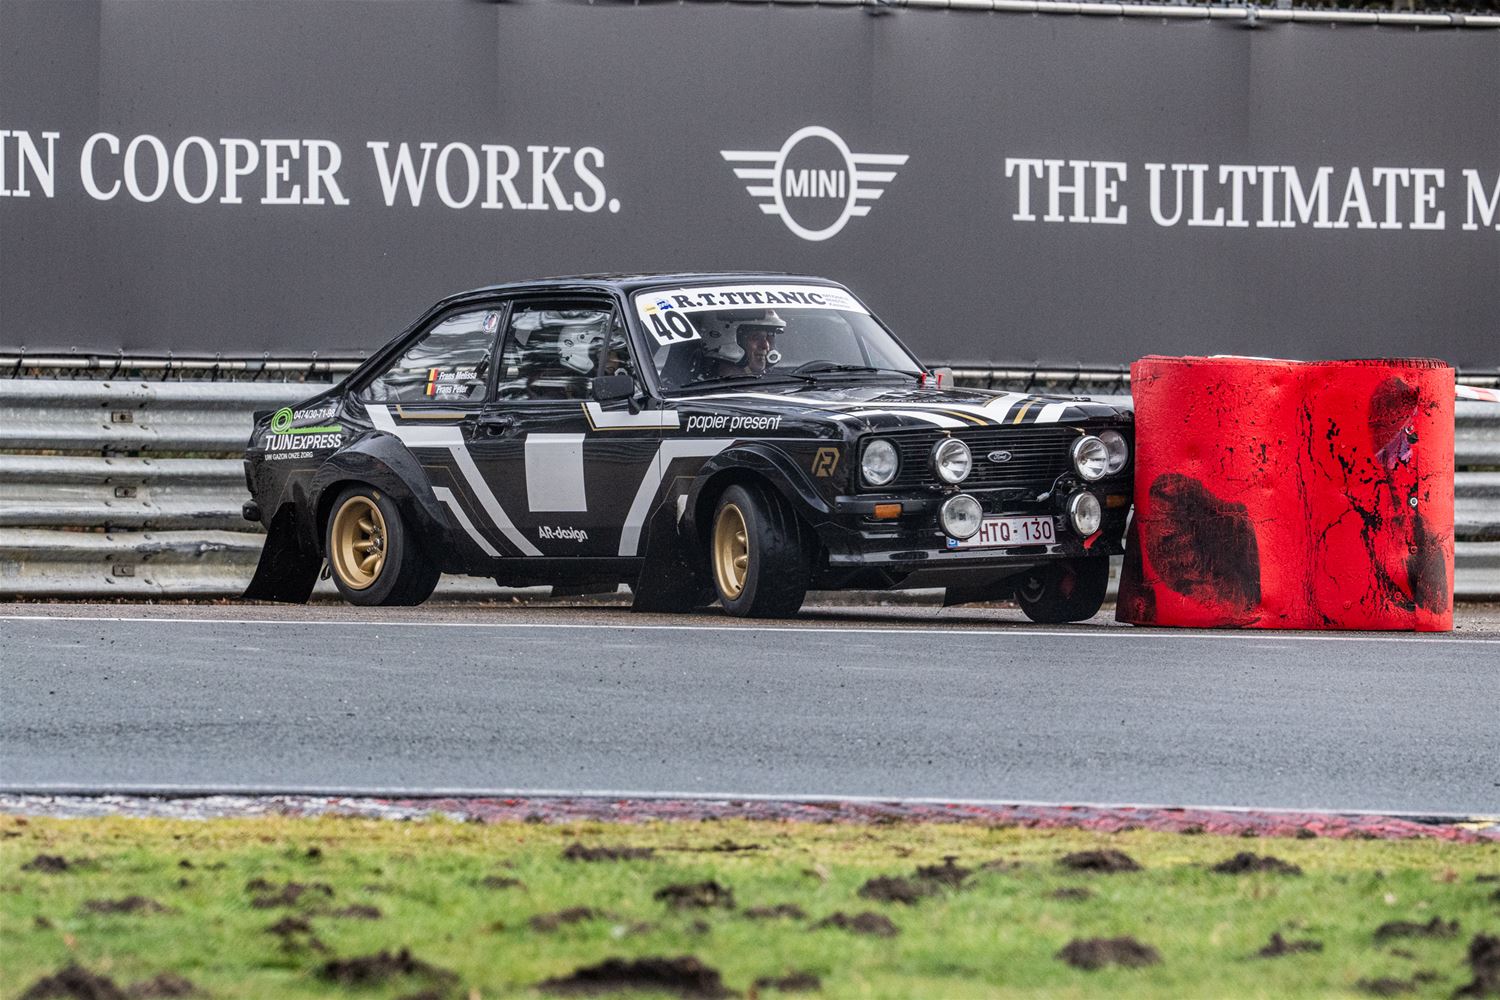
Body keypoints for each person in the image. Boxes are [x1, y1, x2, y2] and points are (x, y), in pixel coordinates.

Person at [695, 310, 785, 379]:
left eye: (767, 338)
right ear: (726, 338)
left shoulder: (771, 382)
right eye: (756, 338)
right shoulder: (719, 392)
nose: (765, 346)